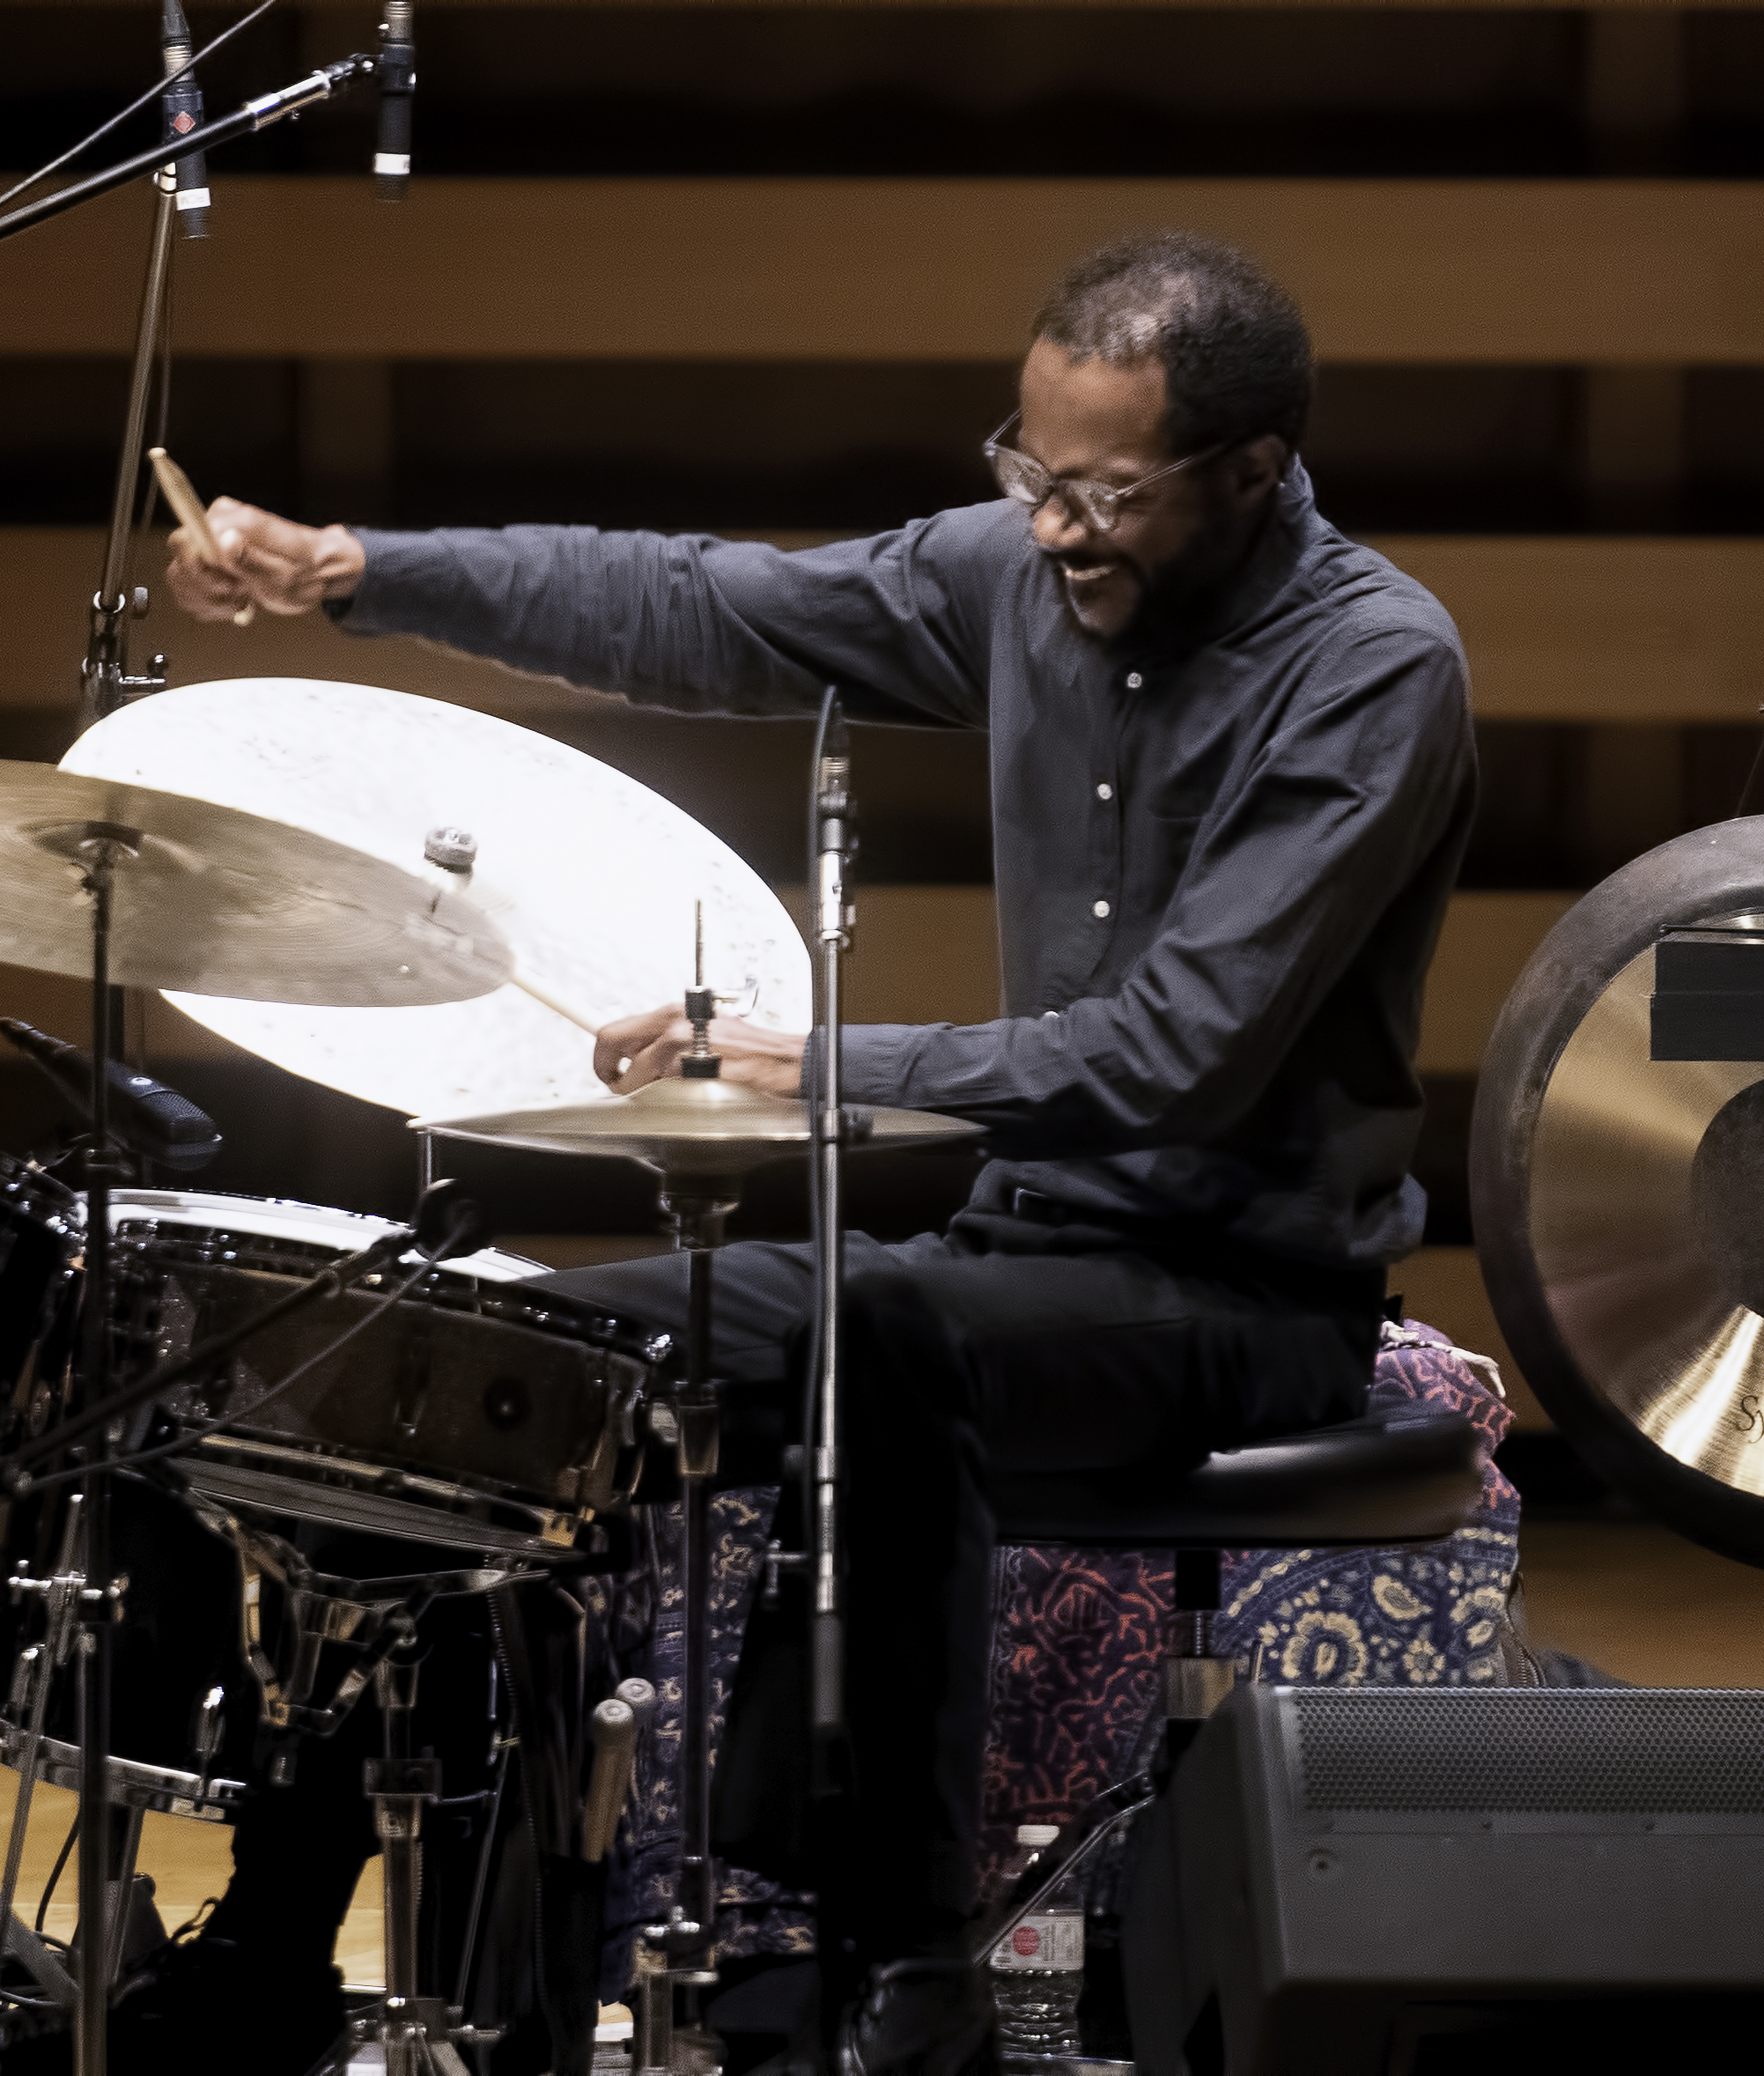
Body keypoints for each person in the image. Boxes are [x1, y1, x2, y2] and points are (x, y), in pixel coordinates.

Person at [162, 232, 1477, 2076]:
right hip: (1005, 1265)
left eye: (1107, 493)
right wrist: (361, 574)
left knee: (893, 1336)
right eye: (1028, 476)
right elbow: (699, 607)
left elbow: (1182, 1050)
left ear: (1257, 472)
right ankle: (361, 1953)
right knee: (482, 1369)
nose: (1053, 532)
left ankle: (900, 1961)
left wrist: (814, 1068)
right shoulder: (1015, 575)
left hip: (1237, 1293)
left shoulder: (1372, 668)